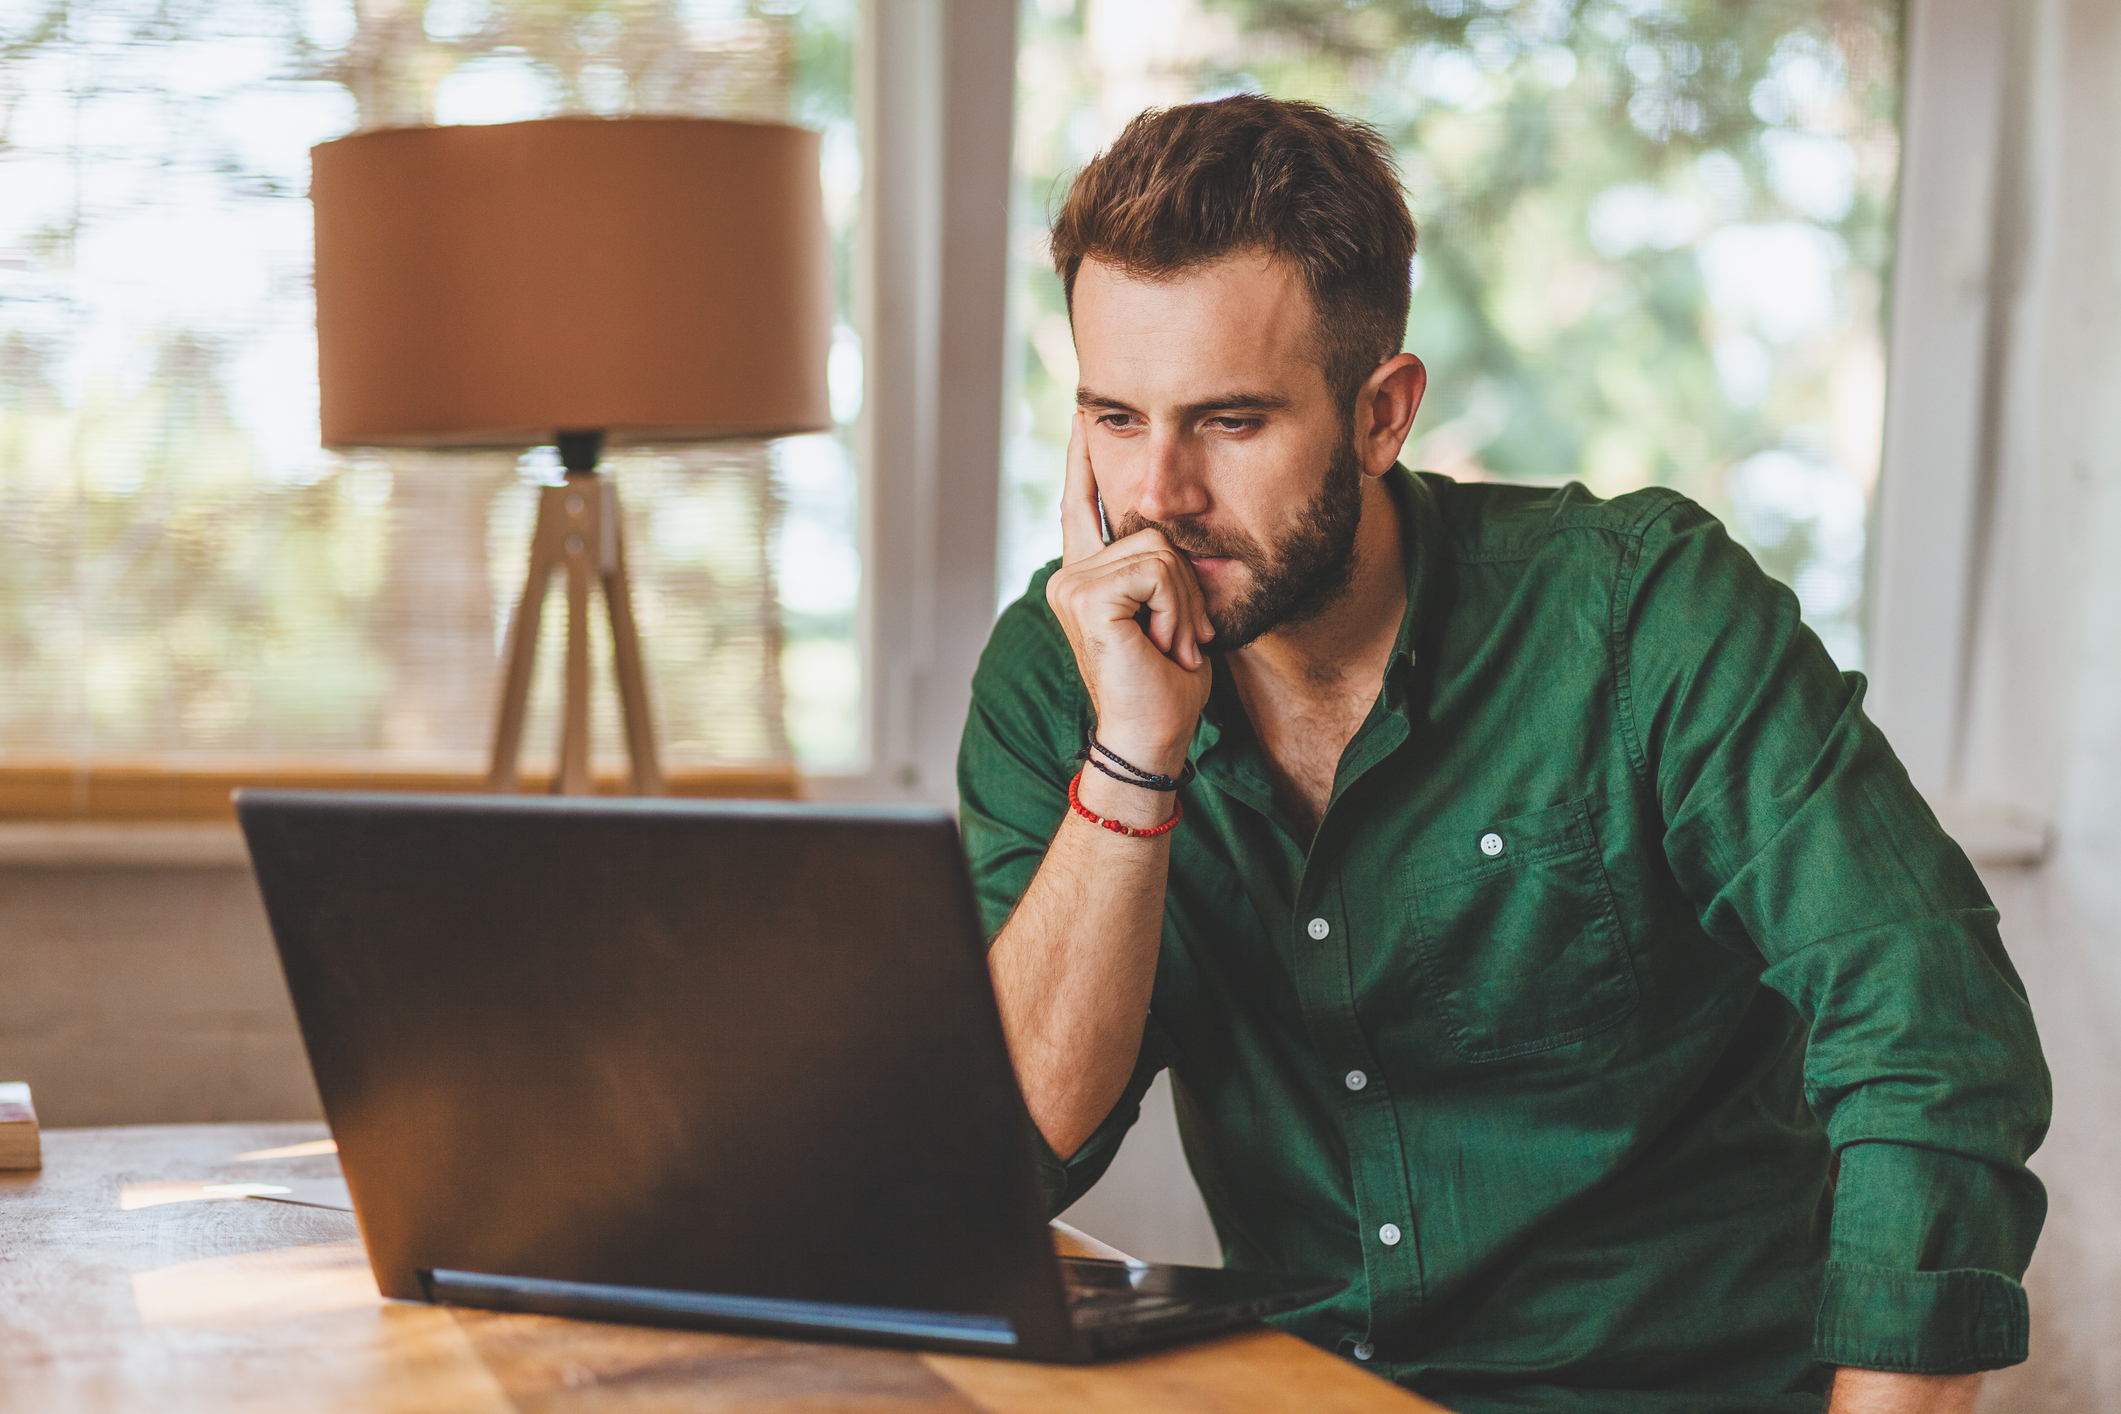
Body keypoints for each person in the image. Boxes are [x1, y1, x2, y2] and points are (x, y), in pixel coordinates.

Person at [956, 95, 2050, 1413]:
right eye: (1115, 419)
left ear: (1379, 413)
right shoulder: (1062, 667)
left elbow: (1932, 1037)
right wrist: (1133, 761)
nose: (1153, 496)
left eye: (1229, 423)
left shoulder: (1642, 616)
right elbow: (1011, 1150)